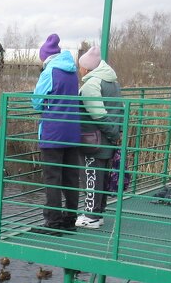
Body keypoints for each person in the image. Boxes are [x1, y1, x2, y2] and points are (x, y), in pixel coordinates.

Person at [31, 33, 81, 232]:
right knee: (70, 177)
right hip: (73, 132)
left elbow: (36, 102)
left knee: (53, 178)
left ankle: (53, 222)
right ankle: (70, 220)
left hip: (53, 133)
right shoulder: (72, 71)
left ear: (45, 56)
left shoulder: (49, 72)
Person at [75, 45, 123, 229]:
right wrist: (116, 134)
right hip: (108, 141)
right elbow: (118, 110)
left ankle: (90, 215)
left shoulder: (92, 84)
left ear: (87, 68)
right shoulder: (112, 82)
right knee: (101, 176)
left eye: (81, 66)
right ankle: (98, 213)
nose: (79, 70)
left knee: (91, 176)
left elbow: (98, 114)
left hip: (93, 140)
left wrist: (111, 133)